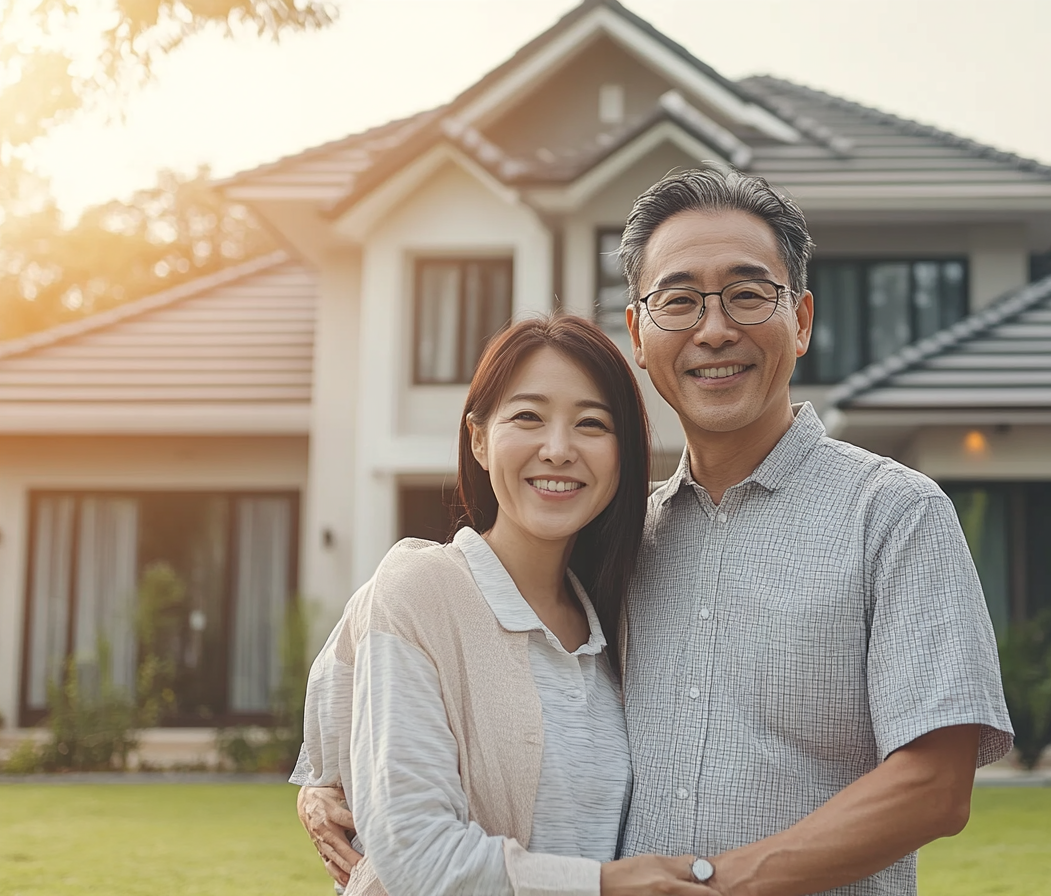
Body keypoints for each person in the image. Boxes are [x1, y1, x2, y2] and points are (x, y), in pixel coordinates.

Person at [301, 168, 1013, 896]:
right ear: (640, 335)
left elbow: (935, 783)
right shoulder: (616, 534)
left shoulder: (892, 514)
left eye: (746, 294)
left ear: (799, 321)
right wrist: (327, 777)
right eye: (679, 301)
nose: (713, 329)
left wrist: (710, 884)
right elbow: (383, 628)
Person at [294, 315, 716, 896]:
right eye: (528, 417)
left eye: (592, 424)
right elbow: (413, 851)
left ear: (623, 455)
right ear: (478, 439)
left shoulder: (613, 616)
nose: (559, 449)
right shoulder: (421, 589)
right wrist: (606, 884)